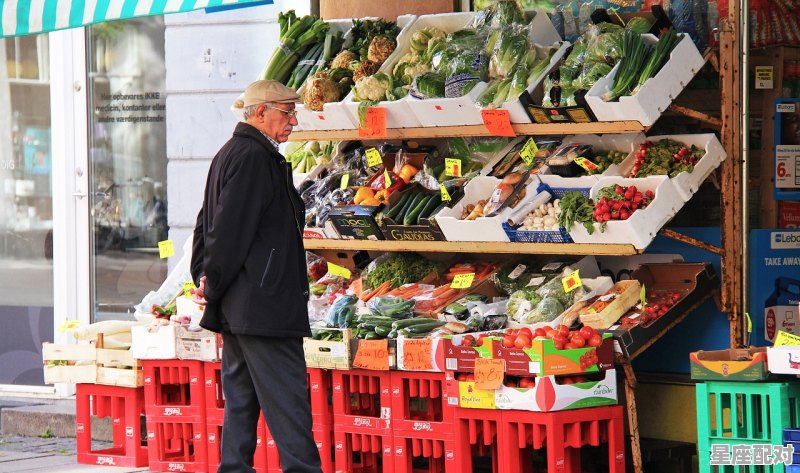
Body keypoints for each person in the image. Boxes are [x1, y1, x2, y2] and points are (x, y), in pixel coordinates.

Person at [190, 80, 321, 473]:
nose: (294, 120)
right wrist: (209, 279)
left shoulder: (234, 153)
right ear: (260, 113)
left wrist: (206, 278)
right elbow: (225, 231)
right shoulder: (253, 158)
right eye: (286, 112)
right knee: (289, 404)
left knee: (242, 403)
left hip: (243, 304)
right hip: (263, 306)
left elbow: (206, 223)